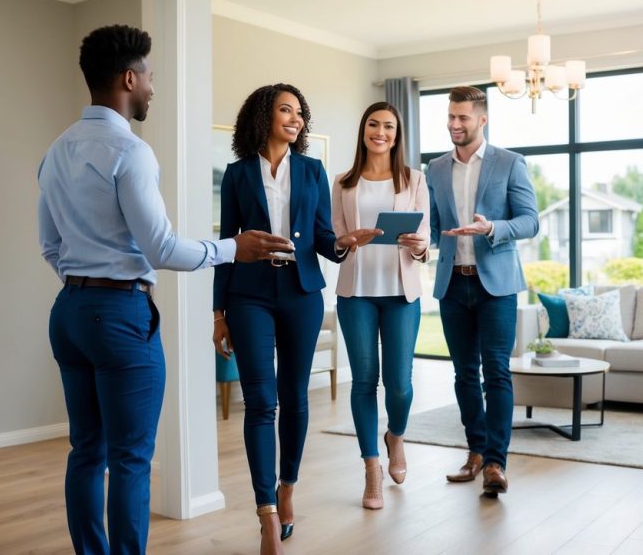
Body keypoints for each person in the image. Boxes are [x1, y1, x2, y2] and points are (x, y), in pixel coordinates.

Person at [37, 25, 294, 555]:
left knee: (86, 450)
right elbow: (162, 249)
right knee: (130, 456)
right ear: (129, 78)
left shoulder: (57, 151)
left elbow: (49, 246)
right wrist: (233, 247)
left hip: (69, 311)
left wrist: (84, 283)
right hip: (120, 316)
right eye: (150, 77)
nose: (153, 87)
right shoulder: (129, 152)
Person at [211, 83, 380, 555]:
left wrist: (347, 243)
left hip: (302, 293)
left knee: (294, 398)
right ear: (264, 115)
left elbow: (324, 239)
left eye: (300, 112)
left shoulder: (311, 170)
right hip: (249, 295)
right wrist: (218, 312)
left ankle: (288, 486)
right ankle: (266, 512)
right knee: (260, 402)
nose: (297, 118)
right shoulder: (237, 174)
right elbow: (227, 246)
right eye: (286, 110)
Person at [427, 86, 538, 496]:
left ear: (482, 119)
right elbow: (437, 226)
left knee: (496, 371)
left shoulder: (510, 163)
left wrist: (492, 227)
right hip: (453, 283)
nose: (455, 125)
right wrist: (421, 241)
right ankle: (474, 451)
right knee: (463, 375)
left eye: (463, 118)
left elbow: (530, 221)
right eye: (451, 117)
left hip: (497, 286)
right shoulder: (435, 168)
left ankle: (495, 463)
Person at [330, 102, 430, 509]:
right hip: (356, 293)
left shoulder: (414, 179)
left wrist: (421, 246)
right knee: (364, 381)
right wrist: (346, 241)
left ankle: (396, 437)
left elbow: (424, 237)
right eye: (374, 124)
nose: (381, 132)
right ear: (364, 130)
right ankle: (372, 467)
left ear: (396, 134)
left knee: (400, 384)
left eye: (389, 126)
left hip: (401, 293)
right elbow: (333, 239)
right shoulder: (342, 183)